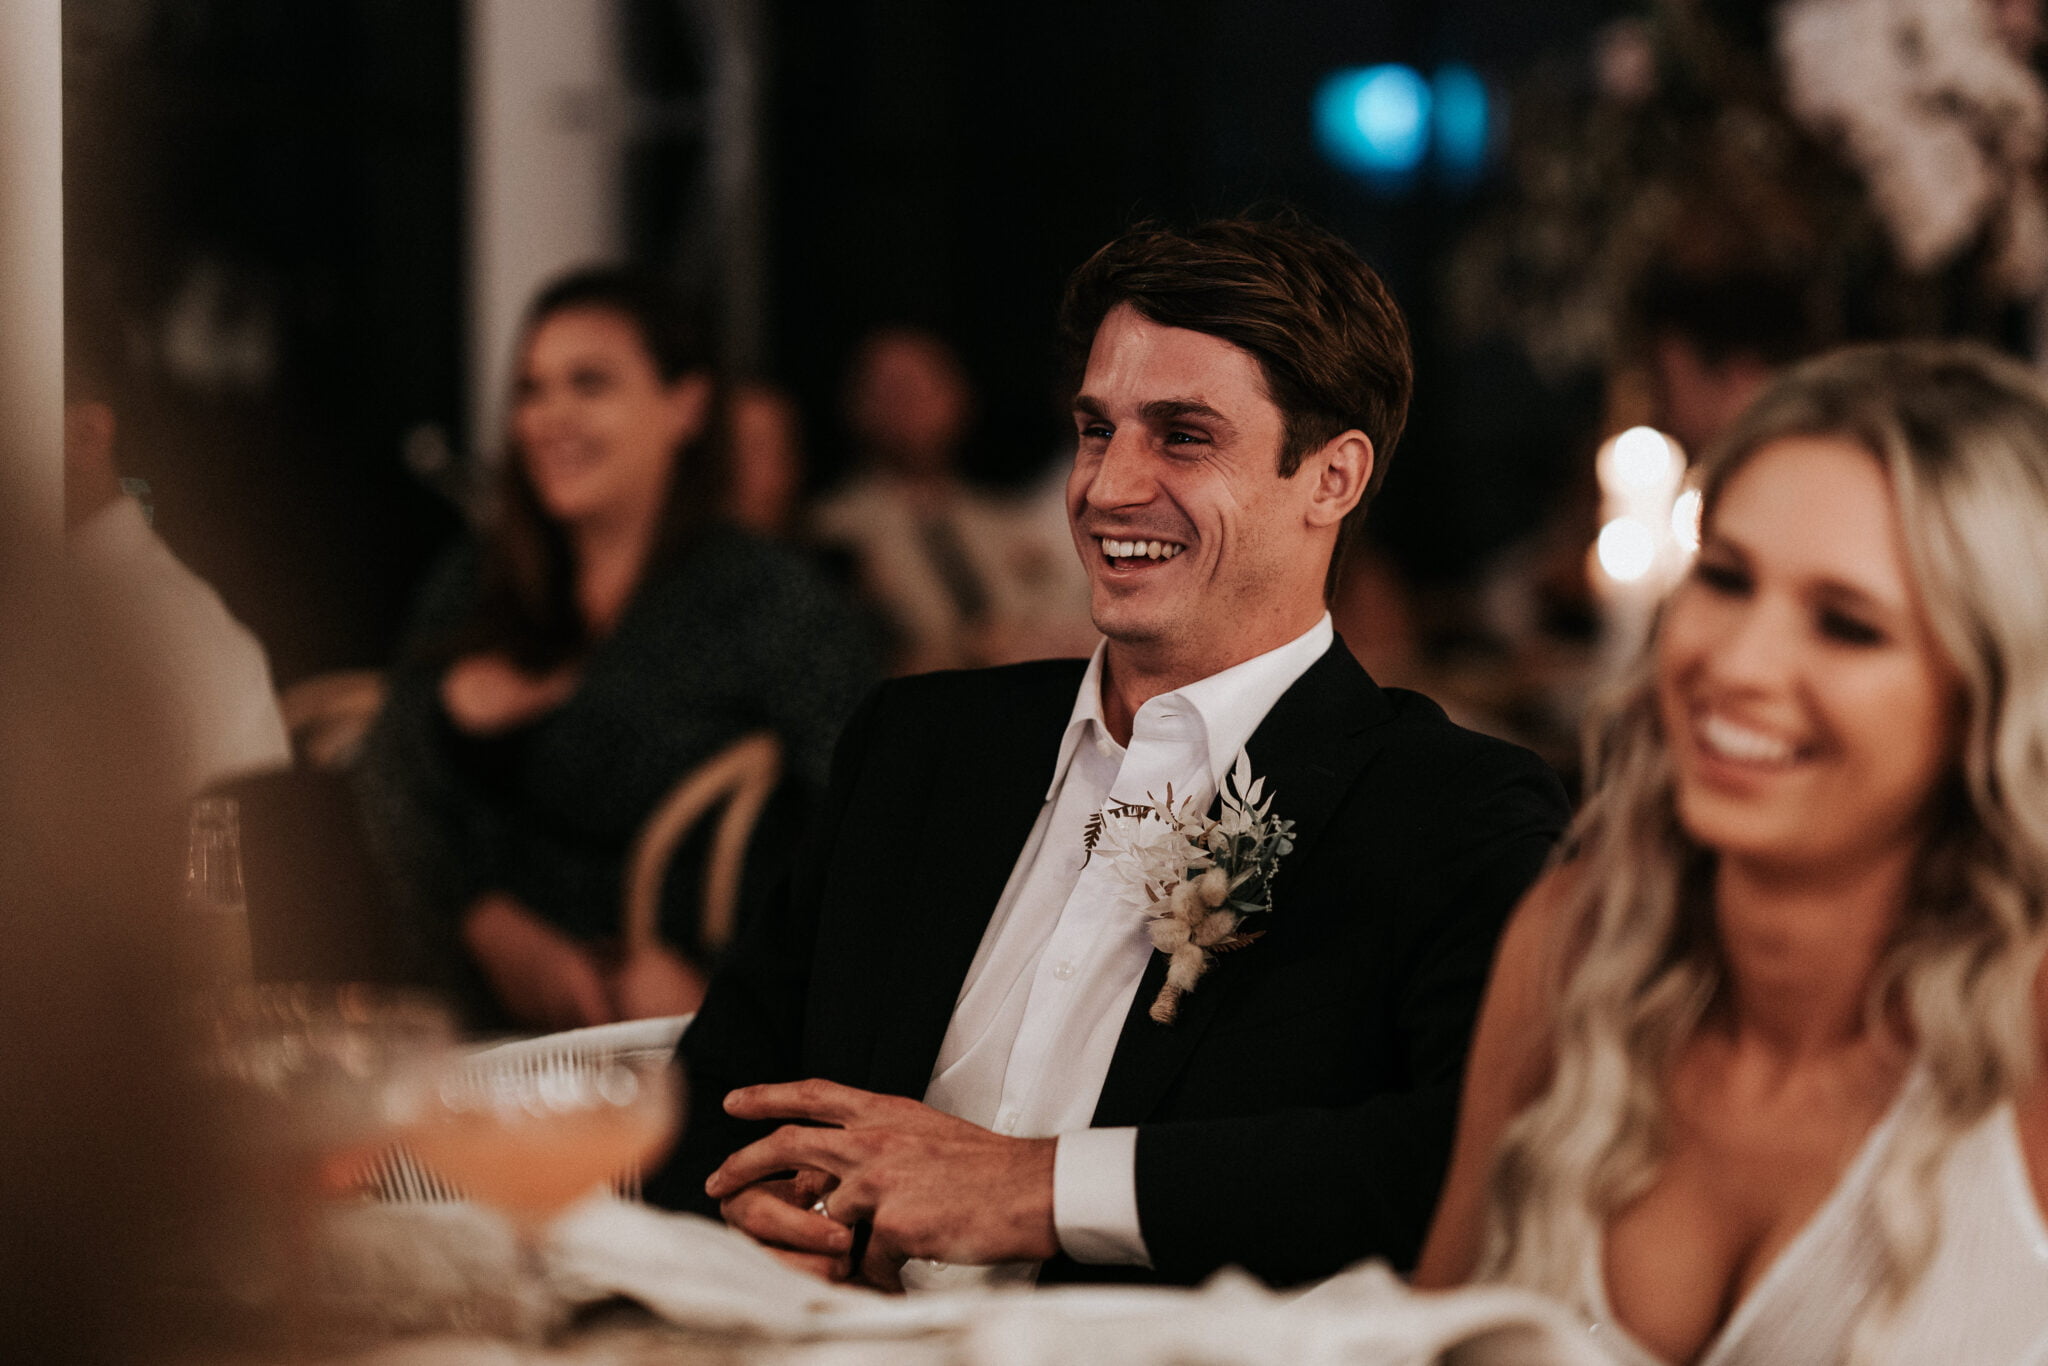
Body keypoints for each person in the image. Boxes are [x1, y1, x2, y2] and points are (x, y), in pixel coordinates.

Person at [646, 217, 1571, 1292]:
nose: (1104, 487)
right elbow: (715, 1090)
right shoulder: (916, 746)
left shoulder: (1453, 813)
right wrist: (744, 1208)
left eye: (1181, 437)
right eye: (1096, 430)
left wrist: (1038, 1188)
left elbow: (1474, 1160)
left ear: (1332, 477)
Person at [1415, 342, 2048, 1364]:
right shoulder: (1577, 943)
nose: (1739, 663)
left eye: (1845, 626)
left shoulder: (2031, 1037)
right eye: (1724, 577)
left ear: (1992, 692)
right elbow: (1420, 1340)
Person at [353, 267, 876, 1030]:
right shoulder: (479, 575)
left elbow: (868, 829)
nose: (549, 417)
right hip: (427, 1002)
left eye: (589, 383)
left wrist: (727, 986)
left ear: (685, 405)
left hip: (646, 1032)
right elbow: (383, 771)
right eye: (532, 389)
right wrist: (487, 921)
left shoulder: (762, 597)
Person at [811, 326, 1095, 673]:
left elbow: (1063, 615)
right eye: (890, 389)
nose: (908, 405)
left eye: (923, 386)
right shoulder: (835, 531)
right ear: (855, 406)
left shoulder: (1004, 520)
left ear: (959, 398)